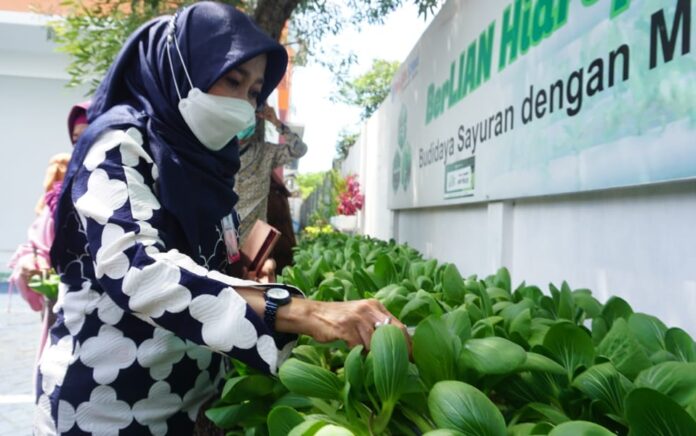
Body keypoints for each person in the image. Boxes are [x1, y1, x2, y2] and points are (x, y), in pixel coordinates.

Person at [37, 3, 407, 434]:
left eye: (253, 92)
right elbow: (137, 268)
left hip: (191, 404)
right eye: (233, 80)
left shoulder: (209, 163)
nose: (243, 103)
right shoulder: (119, 144)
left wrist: (242, 272)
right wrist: (306, 312)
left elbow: (202, 261)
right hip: (107, 408)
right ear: (182, 67)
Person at [7, 102, 89, 359]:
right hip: (65, 303)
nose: (84, 146)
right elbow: (38, 240)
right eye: (77, 139)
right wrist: (33, 260)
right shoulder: (59, 197)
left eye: (92, 134)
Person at [235, 104, 307, 242]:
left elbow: (299, 149)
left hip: (253, 238)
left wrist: (277, 123)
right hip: (222, 235)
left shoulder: (266, 152)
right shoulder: (218, 151)